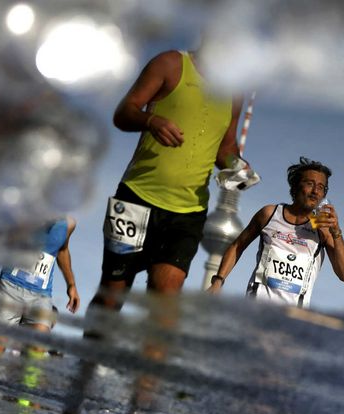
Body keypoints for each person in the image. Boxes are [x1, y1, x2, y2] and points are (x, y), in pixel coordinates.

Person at [85, 47, 252, 321]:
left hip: (188, 211)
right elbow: (123, 112)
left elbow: (226, 148)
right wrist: (151, 120)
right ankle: (90, 360)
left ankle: (147, 365)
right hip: (136, 198)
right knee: (112, 293)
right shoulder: (171, 63)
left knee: (165, 304)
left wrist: (239, 168)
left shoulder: (235, 94)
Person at [208, 157, 344, 308]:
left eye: (321, 187)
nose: (315, 191)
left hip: (293, 318)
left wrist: (336, 232)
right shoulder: (270, 213)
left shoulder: (322, 228)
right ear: (296, 186)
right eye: (310, 184)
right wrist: (218, 280)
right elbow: (237, 245)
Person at [0, 216, 79, 353]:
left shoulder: (69, 224)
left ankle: (28, 374)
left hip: (41, 295)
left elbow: (62, 250)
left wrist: (71, 285)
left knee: (37, 349)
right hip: (10, 288)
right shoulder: (27, 211)